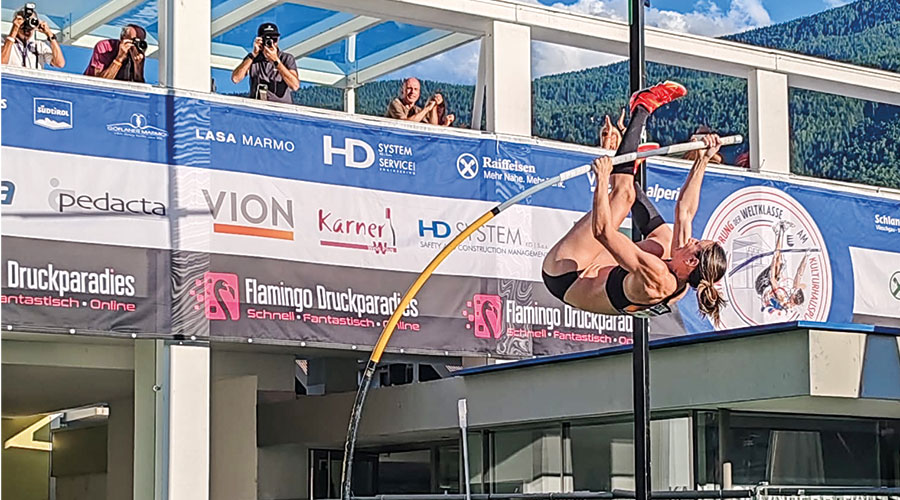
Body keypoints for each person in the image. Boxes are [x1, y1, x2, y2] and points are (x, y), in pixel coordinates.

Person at [542, 81, 729, 324]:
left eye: (696, 243)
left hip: (567, 275)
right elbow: (685, 211)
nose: (692, 239)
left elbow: (603, 232)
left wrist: (602, 179)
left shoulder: (659, 277)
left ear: (692, 261)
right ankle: (628, 170)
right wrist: (702, 160)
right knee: (664, 242)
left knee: (623, 196)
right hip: (599, 271)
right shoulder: (683, 269)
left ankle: (642, 106)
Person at [230, 23, 300, 103]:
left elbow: (295, 85)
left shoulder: (286, 58)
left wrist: (276, 61)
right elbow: (235, 78)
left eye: (274, 40)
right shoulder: (252, 59)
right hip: (258, 106)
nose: (271, 43)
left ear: (278, 40)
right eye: (266, 40)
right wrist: (253, 55)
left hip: (281, 107)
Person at [1, 3, 65, 69]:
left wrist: (49, 34)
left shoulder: (40, 46)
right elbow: (2, 62)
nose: (27, 28)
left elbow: (59, 63)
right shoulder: (4, 42)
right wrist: (15, 29)